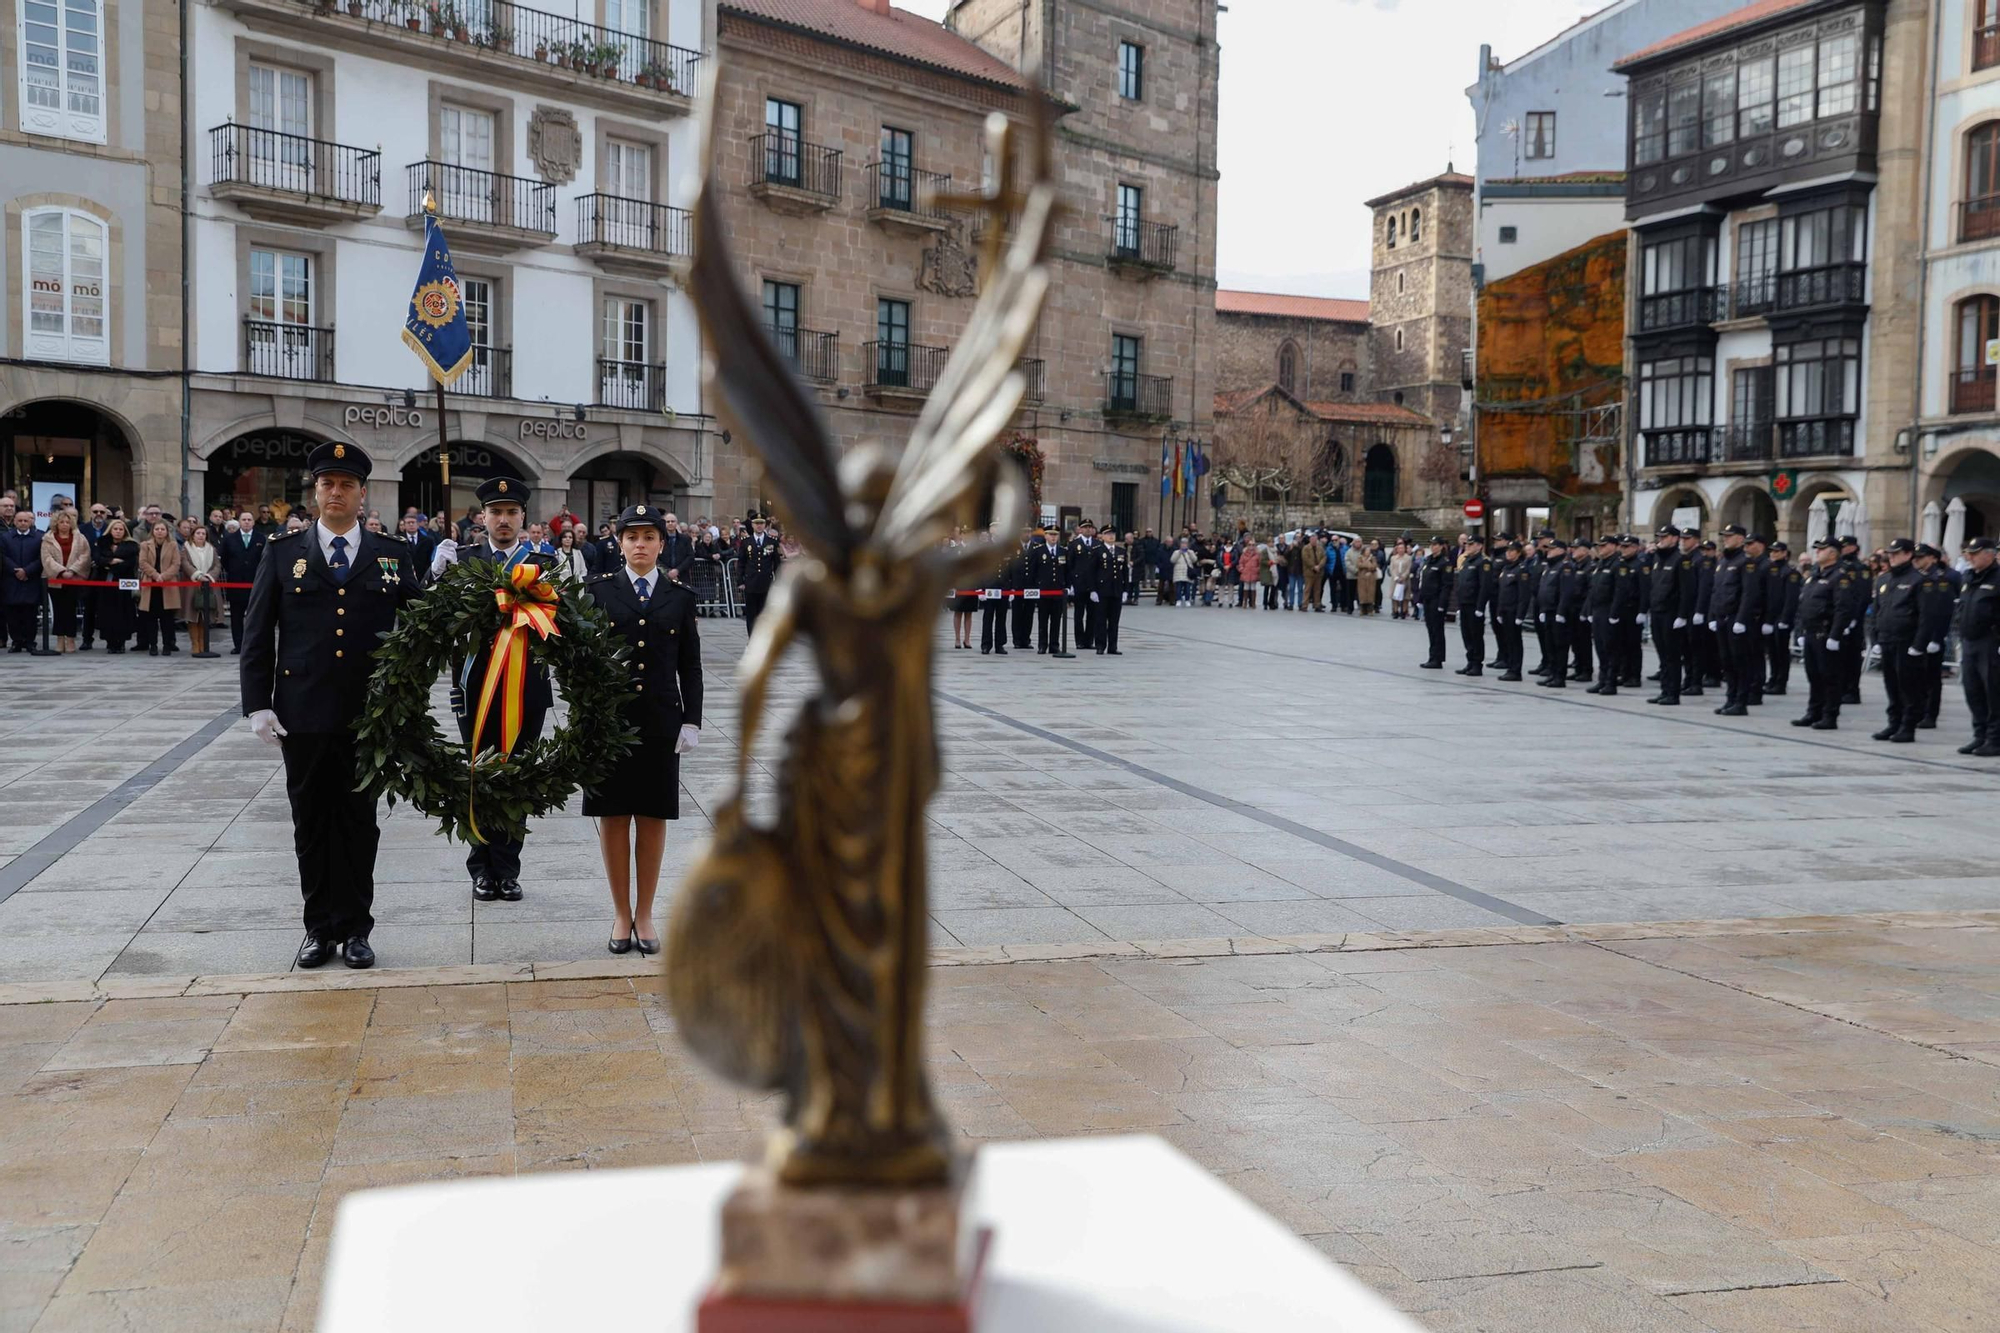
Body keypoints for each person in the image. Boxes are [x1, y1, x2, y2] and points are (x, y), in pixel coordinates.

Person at [241, 441, 422, 969]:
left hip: (370, 715)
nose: (336, 492)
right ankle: (319, 928)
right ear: (315, 491)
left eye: (346, 484)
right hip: (303, 713)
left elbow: (420, 627)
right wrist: (258, 704)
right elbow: (257, 634)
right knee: (312, 822)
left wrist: (408, 694)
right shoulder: (282, 552)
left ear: (362, 493)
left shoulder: (391, 555)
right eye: (327, 484)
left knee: (359, 823)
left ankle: (357, 928)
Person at [428, 476, 556, 903]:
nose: (503, 520)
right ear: (482, 517)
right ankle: (481, 867)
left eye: (511, 513)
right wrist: (435, 574)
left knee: (518, 774)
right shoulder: (462, 561)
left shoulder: (542, 563)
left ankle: (508, 867)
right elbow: (433, 620)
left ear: (523, 518)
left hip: (527, 687)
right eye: (496, 512)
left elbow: (559, 627)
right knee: (477, 775)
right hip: (474, 686)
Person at [582, 504, 702, 954]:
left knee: (652, 818)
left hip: (659, 722)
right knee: (613, 818)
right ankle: (620, 913)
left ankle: (646, 913)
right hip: (610, 723)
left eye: (649, 537)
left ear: (661, 543)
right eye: (632, 537)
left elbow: (690, 666)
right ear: (619, 543)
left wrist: (692, 720)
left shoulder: (680, 597)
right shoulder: (598, 592)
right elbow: (582, 662)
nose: (640, 545)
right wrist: (584, 717)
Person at [1793, 538, 1861, 731]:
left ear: (1833, 553)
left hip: (1826, 633)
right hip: (1811, 632)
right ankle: (1813, 712)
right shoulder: (1815, 574)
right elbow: (1803, 603)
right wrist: (1800, 630)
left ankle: (1829, 715)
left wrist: (1835, 634)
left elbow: (1843, 608)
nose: (1817, 552)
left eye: (1822, 549)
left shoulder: (1840, 576)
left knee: (1830, 677)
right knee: (1813, 675)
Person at [1870, 537, 1925, 743]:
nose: (1891, 557)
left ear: (1909, 554)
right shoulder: (1884, 579)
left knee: (1908, 686)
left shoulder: (1918, 580)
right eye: (1890, 553)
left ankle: (1907, 726)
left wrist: (1919, 644)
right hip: (1886, 639)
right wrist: (1875, 637)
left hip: (1906, 641)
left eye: (1896, 553)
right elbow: (1878, 610)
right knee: (1891, 684)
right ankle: (1894, 722)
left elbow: (1926, 616)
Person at [1955, 536, 1999, 756]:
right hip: (1969, 640)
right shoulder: (1969, 577)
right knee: (1973, 690)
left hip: (1990, 642)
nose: (1969, 557)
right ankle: (1979, 735)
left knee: (1993, 691)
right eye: (1968, 554)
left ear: (1989, 554)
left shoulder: (1998, 578)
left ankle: (1995, 738)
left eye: (1975, 553)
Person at [1913, 544, 1959, 730]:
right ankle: (1918, 711)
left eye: (1922, 557)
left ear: (1933, 558)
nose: (1917, 560)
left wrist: (1935, 638)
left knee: (1931, 677)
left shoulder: (1940, 580)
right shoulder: (1917, 577)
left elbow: (1942, 612)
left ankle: (1930, 714)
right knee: (1917, 676)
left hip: (1932, 636)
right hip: (1917, 634)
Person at [1645, 526, 1691, 707]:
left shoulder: (1681, 560)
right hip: (1657, 611)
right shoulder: (1658, 558)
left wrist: (1682, 615)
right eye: (1659, 536)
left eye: (1665, 537)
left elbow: (1687, 590)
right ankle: (1664, 690)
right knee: (1662, 655)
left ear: (1674, 539)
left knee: (1672, 656)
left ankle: (1673, 693)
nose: (1661, 539)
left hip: (1671, 614)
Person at [40, 507, 92, 652]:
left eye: (67, 522)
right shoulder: (48, 538)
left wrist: (72, 570)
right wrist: (61, 571)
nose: (64, 524)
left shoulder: (80, 538)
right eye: (61, 522)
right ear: (56, 523)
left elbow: (85, 556)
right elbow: (46, 558)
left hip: (73, 578)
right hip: (55, 580)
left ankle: (70, 639)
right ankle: (59, 639)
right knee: (58, 609)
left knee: (70, 609)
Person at [136, 520, 186, 655]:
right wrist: (155, 575)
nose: (160, 531)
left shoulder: (173, 545)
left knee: (167, 619)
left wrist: (163, 576)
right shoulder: (145, 545)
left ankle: (167, 645)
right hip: (151, 585)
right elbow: (142, 562)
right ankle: (153, 645)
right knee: (151, 618)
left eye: (162, 529)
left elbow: (176, 564)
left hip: (167, 584)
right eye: (157, 529)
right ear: (153, 531)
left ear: (166, 531)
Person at [219, 510, 265, 654]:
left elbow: (264, 559)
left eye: (249, 519)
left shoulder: (261, 538)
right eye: (244, 519)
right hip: (236, 584)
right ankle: (238, 645)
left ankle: (253, 644)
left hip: (255, 584)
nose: (246, 522)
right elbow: (224, 559)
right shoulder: (230, 539)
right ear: (239, 521)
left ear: (253, 522)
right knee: (236, 617)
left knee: (255, 617)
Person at [1, 505, 44, 651]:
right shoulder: (5, 537)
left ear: (30, 522)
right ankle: (17, 641)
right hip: (11, 580)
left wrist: (27, 571)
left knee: (30, 613)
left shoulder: (39, 537)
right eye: (20, 521)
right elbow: (3, 556)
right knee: (12, 614)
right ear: (15, 522)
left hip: (31, 580)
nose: (23, 523)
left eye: (26, 521)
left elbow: (41, 558)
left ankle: (30, 641)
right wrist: (16, 571)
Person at [91, 518, 138, 652]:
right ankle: (110, 642)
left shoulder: (131, 546)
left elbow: (129, 563)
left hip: (124, 582)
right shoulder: (101, 543)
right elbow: (97, 559)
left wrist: (110, 564)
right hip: (105, 582)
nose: (118, 532)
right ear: (110, 530)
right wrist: (111, 561)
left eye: (120, 529)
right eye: (115, 529)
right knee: (107, 611)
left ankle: (121, 642)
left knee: (123, 612)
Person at [737, 514, 783, 640]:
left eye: (761, 523)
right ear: (752, 525)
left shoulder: (772, 542)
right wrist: (740, 581)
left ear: (765, 525)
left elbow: (777, 564)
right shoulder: (746, 542)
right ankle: (752, 639)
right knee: (751, 614)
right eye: (756, 523)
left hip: (765, 583)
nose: (759, 526)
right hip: (751, 583)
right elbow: (741, 562)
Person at [183, 525, 224, 658]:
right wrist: (198, 575)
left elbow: (217, 565)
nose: (201, 536)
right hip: (192, 585)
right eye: (198, 533)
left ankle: (203, 643)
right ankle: (195, 643)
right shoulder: (186, 548)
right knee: (194, 616)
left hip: (209, 584)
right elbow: (185, 563)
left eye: (203, 534)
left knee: (206, 616)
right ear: (193, 535)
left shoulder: (211, 549)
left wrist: (209, 577)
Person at [979, 525, 1013, 655]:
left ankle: (1000, 644)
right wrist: (980, 589)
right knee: (988, 617)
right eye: (995, 529)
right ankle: (986, 644)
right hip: (990, 586)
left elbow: (1011, 569)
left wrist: (1012, 589)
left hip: (1003, 587)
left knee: (1001, 617)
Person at [1097, 532, 1129, 654]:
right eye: (1108, 534)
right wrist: (1093, 590)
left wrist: (1125, 589)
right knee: (1101, 619)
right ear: (1103, 536)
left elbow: (1125, 572)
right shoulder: (1098, 550)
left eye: (1113, 534)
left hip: (1116, 589)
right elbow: (1092, 571)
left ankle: (1112, 646)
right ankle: (1100, 645)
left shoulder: (1121, 551)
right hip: (1103, 590)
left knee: (1114, 620)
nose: (1111, 537)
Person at [1170, 537, 1198, 608]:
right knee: (1178, 587)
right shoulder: (1176, 552)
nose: (1184, 545)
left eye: (1185, 544)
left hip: (1187, 573)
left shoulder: (1190, 552)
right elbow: (1172, 560)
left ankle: (1187, 600)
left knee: (1187, 588)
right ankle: (1178, 600)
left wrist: (1190, 553)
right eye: (1182, 543)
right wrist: (1179, 552)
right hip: (1178, 573)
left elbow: (1194, 560)